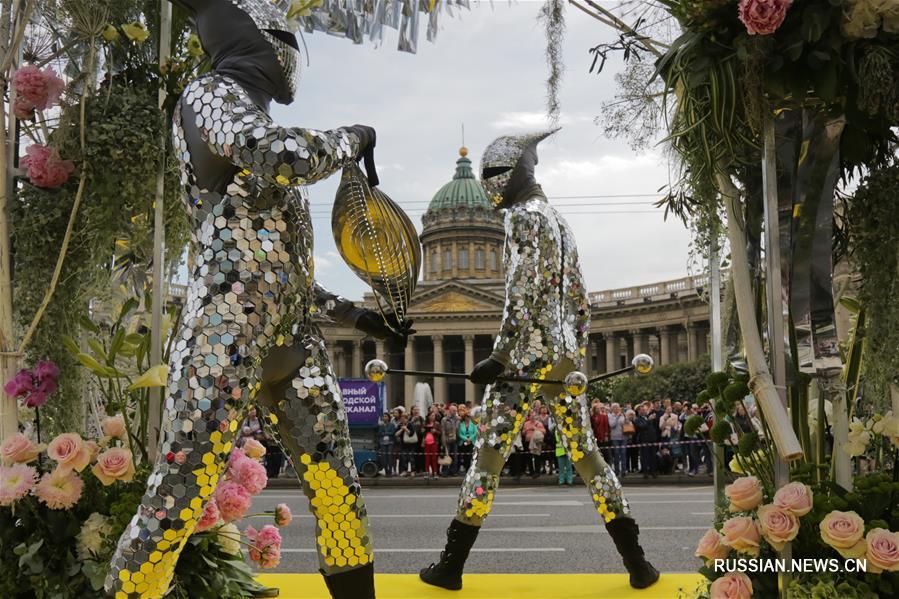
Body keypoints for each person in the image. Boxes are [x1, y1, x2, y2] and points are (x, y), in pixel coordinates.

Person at [105, 3, 408, 597]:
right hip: (223, 334)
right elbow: (284, 154)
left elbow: (283, 275)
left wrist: (352, 313)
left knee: (338, 491)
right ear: (256, 41)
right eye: (287, 43)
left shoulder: (254, 123)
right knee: (178, 495)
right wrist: (353, 136)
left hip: (293, 341)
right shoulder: (208, 95)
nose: (294, 59)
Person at [419, 129, 658, 592]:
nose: (491, 185)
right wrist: (575, 355)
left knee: (486, 462)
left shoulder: (523, 219)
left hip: (524, 360)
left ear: (517, 172)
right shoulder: (560, 220)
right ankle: (638, 564)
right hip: (563, 357)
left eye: (495, 175)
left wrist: (500, 356)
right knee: (590, 458)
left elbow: (523, 295)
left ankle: (450, 567)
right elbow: (580, 300)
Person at [635, 402, 659, 478]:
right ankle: (646, 472)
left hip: (652, 440)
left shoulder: (648, 418)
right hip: (644, 440)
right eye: (642, 410)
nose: (644, 411)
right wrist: (648, 420)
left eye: (645, 410)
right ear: (639, 411)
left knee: (653, 456)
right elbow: (642, 427)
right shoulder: (638, 419)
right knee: (645, 457)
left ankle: (653, 471)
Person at [608, 402, 627, 477]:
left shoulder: (622, 415)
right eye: (615, 407)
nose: (616, 408)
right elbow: (612, 425)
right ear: (612, 409)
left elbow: (626, 424)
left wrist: (625, 418)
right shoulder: (610, 416)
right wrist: (617, 417)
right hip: (615, 438)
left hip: (623, 437)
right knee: (616, 454)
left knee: (623, 454)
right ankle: (616, 471)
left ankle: (623, 471)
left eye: (617, 407)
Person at [441, 404, 461, 475]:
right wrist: (443, 442)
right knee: (446, 456)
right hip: (447, 440)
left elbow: (459, 430)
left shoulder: (458, 419)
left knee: (455, 457)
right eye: (453, 410)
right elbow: (443, 431)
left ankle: (453, 471)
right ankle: (445, 471)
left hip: (455, 440)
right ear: (449, 411)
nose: (455, 412)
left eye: (456, 410)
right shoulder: (444, 419)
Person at [457, 407, 477, 473]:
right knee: (465, 456)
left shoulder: (473, 424)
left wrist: (470, 439)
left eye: (469, 417)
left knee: (470, 456)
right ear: (464, 417)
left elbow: (475, 432)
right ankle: (466, 468)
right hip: (463, 442)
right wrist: (466, 439)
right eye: (466, 417)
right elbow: (459, 434)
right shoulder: (461, 424)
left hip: (471, 442)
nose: (467, 418)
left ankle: (469, 469)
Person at [422, 412, 442, 479]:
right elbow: (422, 432)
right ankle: (427, 472)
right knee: (427, 458)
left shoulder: (437, 424)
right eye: (431, 415)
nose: (432, 417)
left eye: (433, 415)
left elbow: (440, 433)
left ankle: (435, 472)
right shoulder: (425, 423)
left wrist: (435, 431)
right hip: (426, 443)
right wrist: (423, 430)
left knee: (434, 458)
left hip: (434, 443)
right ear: (428, 416)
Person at [378, 412, 397, 476]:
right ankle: (386, 471)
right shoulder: (381, 425)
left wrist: (385, 433)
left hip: (390, 442)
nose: (384, 417)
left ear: (388, 417)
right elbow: (380, 433)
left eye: (386, 416)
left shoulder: (392, 425)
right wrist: (386, 433)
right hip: (383, 443)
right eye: (383, 416)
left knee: (390, 457)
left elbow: (392, 432)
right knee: (384, 457)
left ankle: (391, 471)